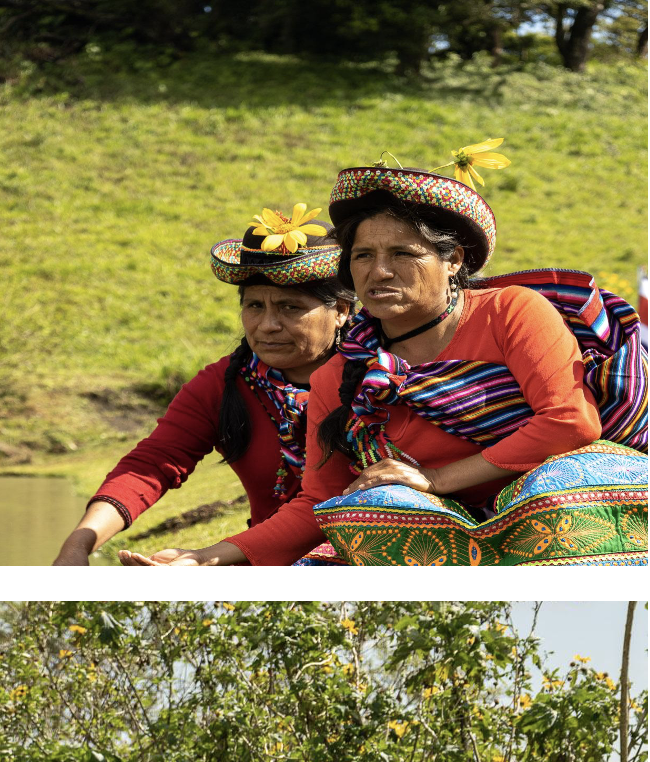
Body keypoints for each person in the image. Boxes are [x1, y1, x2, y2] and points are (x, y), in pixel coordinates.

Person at [124, 146, 646, 566]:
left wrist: (433, 479)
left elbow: (569, 423)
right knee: (376, 504)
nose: (379, 271)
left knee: (568, 481)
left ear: (453, 260)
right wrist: (206, 557)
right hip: (444, 535)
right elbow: (318, 503)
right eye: (363, 256)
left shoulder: (510, 311)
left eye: (402, 254)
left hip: (544, 516)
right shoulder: (340, 375)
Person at [53, 203, 353, 564]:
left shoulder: (378, 380)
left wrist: (205, 559)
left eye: (290, 308)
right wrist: (80, 542)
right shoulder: (224, 385)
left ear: (340, 310)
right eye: (255, 306)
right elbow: (153, 463)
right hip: (261, 565)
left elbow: (329, 502)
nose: (268, 325)